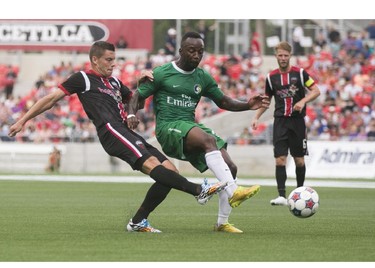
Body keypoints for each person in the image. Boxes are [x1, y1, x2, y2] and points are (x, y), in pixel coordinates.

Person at [8, 41, 227, 233]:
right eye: (109, 59)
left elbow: (136, 102)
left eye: (115, 59)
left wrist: (141, 84)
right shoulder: (83, 78)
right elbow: (51, 99)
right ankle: (199, 190)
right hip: (110, 131)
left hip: (126, 131)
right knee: (152, 165)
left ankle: (139, 221)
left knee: (170, 171)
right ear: (95, 60)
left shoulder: (114, 83)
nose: (113, 64)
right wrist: (22, 120)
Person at [128, 32, 270, 233]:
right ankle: (233, 190)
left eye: (200, 52)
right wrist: (130, 115)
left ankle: (222, 222)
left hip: (188, 125)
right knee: (208, 140)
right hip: (168, 127)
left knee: (230, 167)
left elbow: (223, 101)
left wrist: (248, 105)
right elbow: (136, 95)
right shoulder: (162, 73)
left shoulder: (202, 76)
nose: (196, 55)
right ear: (181, 51)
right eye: (192, 51)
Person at [251, 41, 321, 206]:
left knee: (299, 160)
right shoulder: (271, 77)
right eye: (280, 55)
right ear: (276, 56)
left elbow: (316, 91)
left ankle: (300, 193)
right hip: (280, 122)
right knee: (280, 160)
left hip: (297, 122)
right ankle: (281, 195)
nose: (283, 58)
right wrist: (256, 117)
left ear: (290, 56)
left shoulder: (300, 73)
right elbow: (266, 101)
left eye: (286, 55)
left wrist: (303, 101)